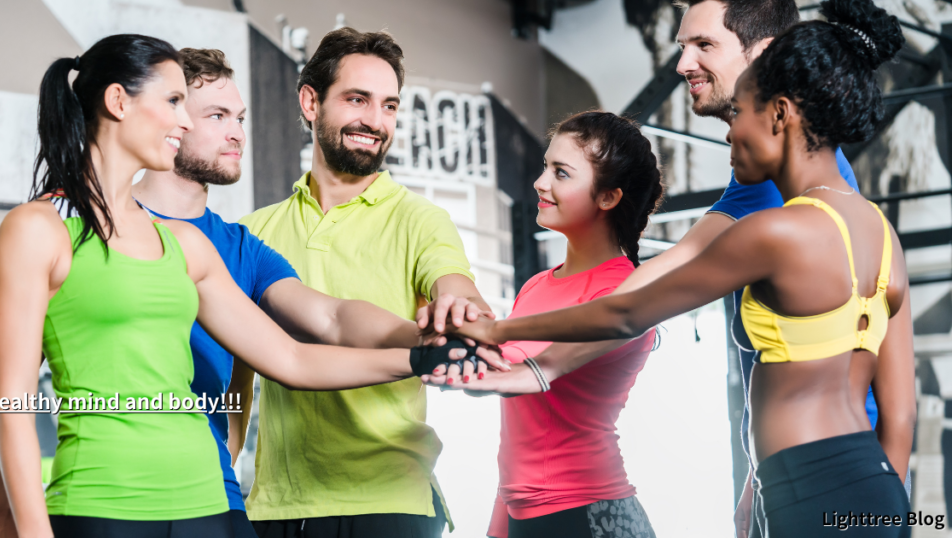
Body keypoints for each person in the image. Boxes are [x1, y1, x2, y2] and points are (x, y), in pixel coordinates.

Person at [427, 0, 917, 535]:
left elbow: (625, 312)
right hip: (872, 484)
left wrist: (499, 330)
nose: (731, 133)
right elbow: (901, 414)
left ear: (779, 114)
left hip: (805, 485)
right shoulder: (880, 233)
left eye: (743, 112)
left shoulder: (775, 231)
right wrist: (880, 508)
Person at [0, 34, 497, 538]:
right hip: (105, 498)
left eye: (238, 118)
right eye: (182, 105)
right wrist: (11, 519)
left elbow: (305, 343)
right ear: (119, 102)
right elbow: (7, 395)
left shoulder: (199, 246)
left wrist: (426, 352)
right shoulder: (46, 228)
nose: (193, 124)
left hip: (210, 498)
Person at [237, 27, 492, 538]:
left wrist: (464, 313)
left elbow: (455, 286)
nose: (375, 122)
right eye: (358, 100)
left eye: (389, 106)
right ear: (311, 102)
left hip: (390, 500)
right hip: (277, 507)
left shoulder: (422, 220)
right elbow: (237, 377)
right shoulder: (255, 231)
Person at [480, 111, 661, 538]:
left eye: (561, 173)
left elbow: (528, 376)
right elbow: (522, 431)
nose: (541, 183)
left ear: (608, 197)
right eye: (546, 167)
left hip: (590, 516)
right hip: (526, 516)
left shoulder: (623, 294)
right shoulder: (536, 286)